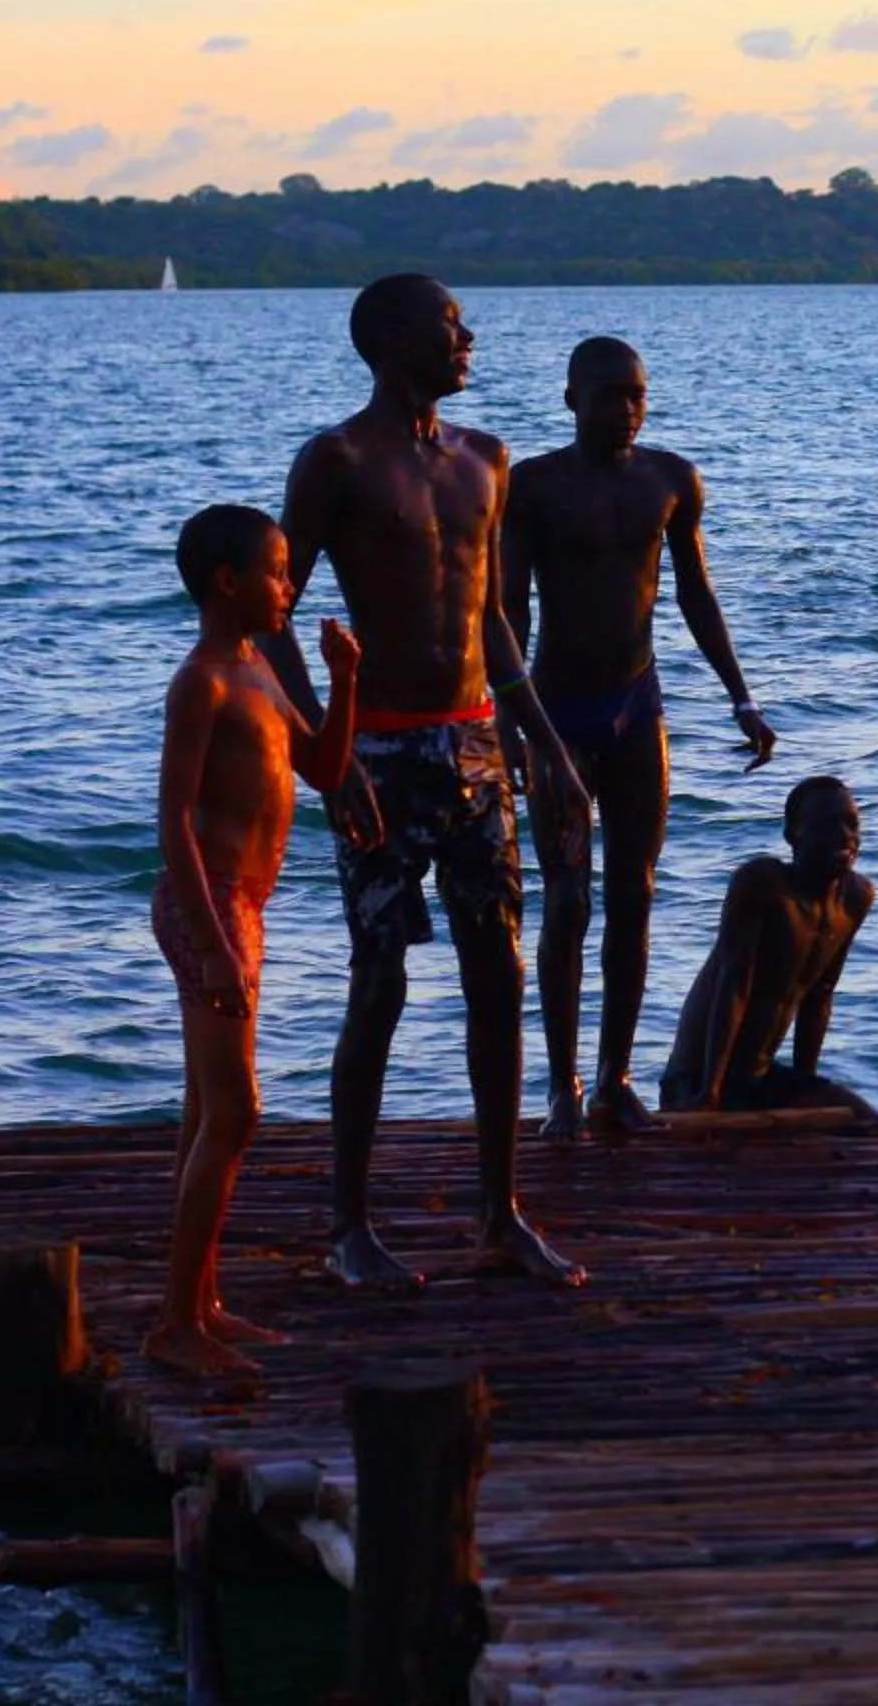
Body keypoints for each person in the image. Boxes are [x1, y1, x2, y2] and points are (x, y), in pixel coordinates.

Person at [262, 274, 588, 1290]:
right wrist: (327, 747)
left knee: (500, 975)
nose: (469, 338)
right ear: (393, 340)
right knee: (380, 981)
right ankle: (349, 1225)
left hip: (478, 746)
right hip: (383, 754)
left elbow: (491, 618)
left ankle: (501, 1213)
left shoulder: (486, 459)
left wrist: (547, 746)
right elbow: (275, 610)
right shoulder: (337, 461)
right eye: (450, 326)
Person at [502, 335, 776, 1141]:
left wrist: (741, 699)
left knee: (635, 896)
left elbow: (695, 593)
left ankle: (616, 1080)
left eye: (637, 394)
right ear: (571, 401)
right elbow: (509, 614)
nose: (626, 409)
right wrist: (516, 728)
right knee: (568, 902)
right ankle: (561, 1088)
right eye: (609, 394)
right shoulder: (533, 488)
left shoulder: (670, 481)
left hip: (637, 708)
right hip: (557, 714)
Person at [147, 504, 358, 1375]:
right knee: (237, 1113)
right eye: (277, 573)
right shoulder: (202, 681)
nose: (292, 585)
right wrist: (214, 940)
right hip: (211, 907)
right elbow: (173, 825)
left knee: (207, 1113)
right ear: (228, 583)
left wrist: (346, 683)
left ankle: (204, 1304)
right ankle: (174, 1327)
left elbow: (325, 771)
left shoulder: (262, 670)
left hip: (245, 910)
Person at [658, 776, 874, 1112]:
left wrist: (806, 1087)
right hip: (696, 1079)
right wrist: (709, 1092)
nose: (845, 836)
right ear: (792, 836)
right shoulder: (763, 884)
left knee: (865, 1122)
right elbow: (734, 985)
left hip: (757, 1080)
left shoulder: (855, 899)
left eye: (851, 824)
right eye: (827, 825)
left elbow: (819, 998)